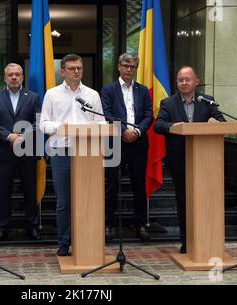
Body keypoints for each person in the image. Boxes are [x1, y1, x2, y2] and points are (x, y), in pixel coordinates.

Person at [154, 66, 225, 254]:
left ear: (196, 81)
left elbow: (222, 122)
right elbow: (159, 126)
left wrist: (216, 122)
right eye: (180, 80)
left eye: (187, 79)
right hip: (180, 160)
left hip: (205, 162)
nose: (183, 83)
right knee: (184, 201)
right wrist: (173, 126)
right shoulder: (168, 103)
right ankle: (187, 241)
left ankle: (206, 239)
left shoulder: (207, 101)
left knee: (205, 200)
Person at [40, 54, 104, 257]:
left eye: (79, 68)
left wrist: (89, 128)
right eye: (72, 68)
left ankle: (87, 240)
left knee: (88, 199)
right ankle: (64, 242)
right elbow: (43, 124)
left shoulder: (92, 94)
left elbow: (101, 122)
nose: (76, 72)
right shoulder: (52, 94)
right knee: (64, 201)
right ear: (63, 71)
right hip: (61, 151)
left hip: (87, 153)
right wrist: (62, 127)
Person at [101, 53, 154, 241]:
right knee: (111, 186)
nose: (129, 70)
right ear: (118, 66)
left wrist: (138, 132)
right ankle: (108, 225)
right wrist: (123, 130)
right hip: (115, 142)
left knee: (139, 186)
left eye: (132, 66)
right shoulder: (108, 90)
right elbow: (106, 113)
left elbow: (149, 115)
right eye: (125, 66)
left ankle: (139, 224)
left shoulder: (143, 90)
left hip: (138, 144)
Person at [0, 63, 41, 241]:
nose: (14, 77)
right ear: (5, 78)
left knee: (30, 191)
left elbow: (38, 121)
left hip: (27, 151)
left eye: (17, 74)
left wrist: (23, 136)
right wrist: (9, 136)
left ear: (23, 77)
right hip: (4, 151)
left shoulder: (33, 97)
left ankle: (32, 226)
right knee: (3, 192)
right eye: (10, 75)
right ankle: (3, 227)